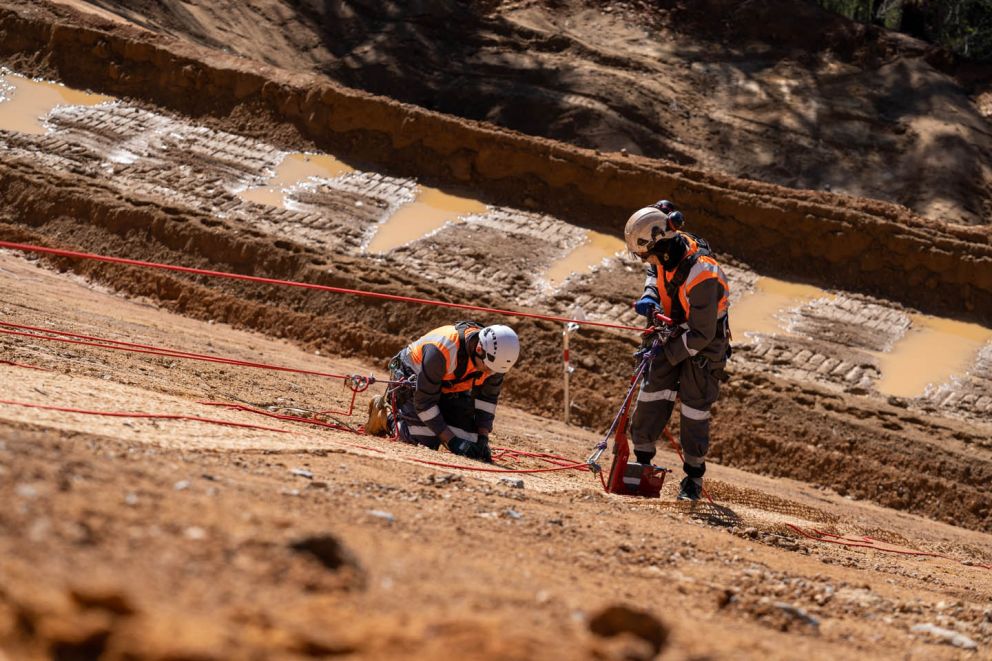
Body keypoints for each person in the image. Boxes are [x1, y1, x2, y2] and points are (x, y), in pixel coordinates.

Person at [624, 200, 731, 501]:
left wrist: (668, 352)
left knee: (695, 408)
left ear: (662, 246)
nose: (647, 261)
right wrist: (650, 295)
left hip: (703, 342)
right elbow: (654, 274)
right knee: (652, 393)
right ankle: (641, 462)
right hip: (672, 330)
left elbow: (701, 334)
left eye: (648, 255)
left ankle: (693, 479)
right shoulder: (666, 253)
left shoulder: (702, 274)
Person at [365, 321, 520, 463]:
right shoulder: (442, 350)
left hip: (447, 386)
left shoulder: (496, 361)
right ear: (479, 349)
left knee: (471, 444)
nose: (489, 374)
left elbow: (487, 399)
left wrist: (483, 438)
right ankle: (385, 417)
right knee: (425, 439)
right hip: (415, 379)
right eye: (487, 368)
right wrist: (451, 440)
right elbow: (424, 403)